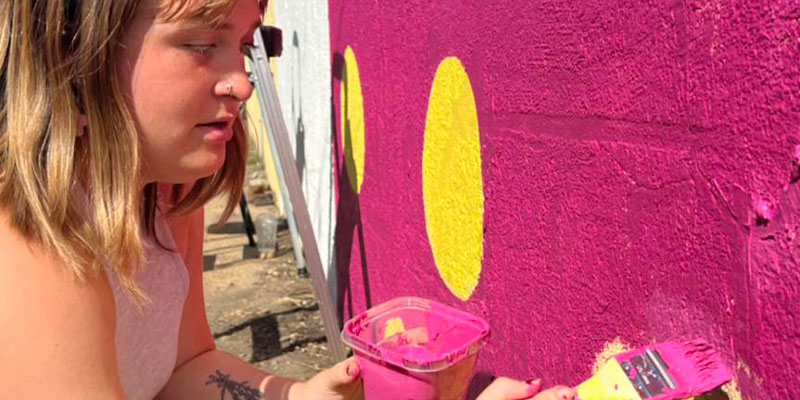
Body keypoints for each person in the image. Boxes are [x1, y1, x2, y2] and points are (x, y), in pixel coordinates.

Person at [0, 1, 579, 399]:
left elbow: (184, 367)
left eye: (248, 43)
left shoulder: (166, 189)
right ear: (72, 54)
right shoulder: (28, 237)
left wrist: (299, 394)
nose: (243, 82)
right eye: (202, 43)